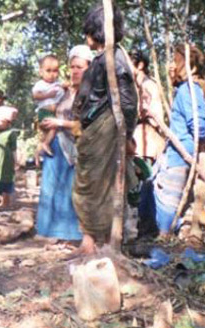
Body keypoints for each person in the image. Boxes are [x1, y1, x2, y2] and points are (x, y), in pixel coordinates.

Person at [70, 4, 138, 256]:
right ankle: (89, 241)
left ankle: (104, 243)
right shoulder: (102, 59)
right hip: (93, 133)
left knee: (102, 187)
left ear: (96, 31)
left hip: (105, 132)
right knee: (89, 185)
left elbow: (127, 101)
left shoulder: (114, 60)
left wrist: (127, 134)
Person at [36, 44, 94, 245]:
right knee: (50, 188)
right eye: (72, 67)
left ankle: (70, 234)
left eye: (80, 67)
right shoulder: (64, 91)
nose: (75, 71)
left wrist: (60, 123)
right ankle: (48, 230)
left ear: (89, 69)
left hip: (74, 149)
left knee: (69, 191)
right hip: (55, 145)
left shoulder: (91, 95)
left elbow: (86, 127)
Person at [153, 43, 205, 236]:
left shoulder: (189, 90)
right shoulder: (188, 89)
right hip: (180, 150)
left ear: (189, 66)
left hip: (181, 152)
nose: (172, 65)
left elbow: (199, 124)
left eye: (176, 61)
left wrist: (193, 142)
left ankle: (164, 236)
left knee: (168, 198)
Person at [131, 50, 166, 163]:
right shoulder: (135, 86)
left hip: (147, 143)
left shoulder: (149, 85)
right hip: (137, 143)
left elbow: (155, 118)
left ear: (140, 65)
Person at [33, 55, 67, 160]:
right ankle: (46, 144)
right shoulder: (40, 84)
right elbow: (36, 95)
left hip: (55, 113)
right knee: (53, 127)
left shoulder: (58, 84)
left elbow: (65, 87)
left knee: (48, 132)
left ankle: (39, 152)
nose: (52, 74)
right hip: (45, 112)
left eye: (55, 71)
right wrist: (48, 95)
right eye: (48, 71)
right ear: (41, 72)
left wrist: (66, 86)